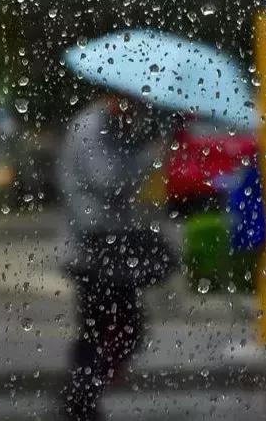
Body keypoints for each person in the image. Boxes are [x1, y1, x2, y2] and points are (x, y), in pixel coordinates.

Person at [58, 94, 176, 421]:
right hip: (91, 250)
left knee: (119, 328)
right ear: (113, 95)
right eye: (130, 102)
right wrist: (148, 158)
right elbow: (108, 178)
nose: (134, 110)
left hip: (107, 249)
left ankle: (83, 394)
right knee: (103, 328)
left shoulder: (108, 126)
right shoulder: (90, 128)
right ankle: (80, 397)